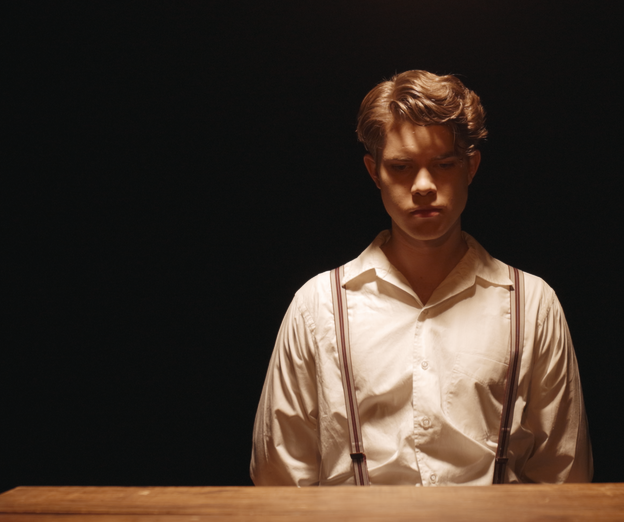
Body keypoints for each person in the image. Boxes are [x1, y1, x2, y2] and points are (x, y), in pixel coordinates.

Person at [251, 71, 592, 487]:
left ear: (472, 166)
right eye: (402, 167)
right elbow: (280, 482)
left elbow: (564, 480)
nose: (424, 186)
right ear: (373, 172)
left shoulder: (532, 304)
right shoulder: (317, 306)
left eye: (444, 164)